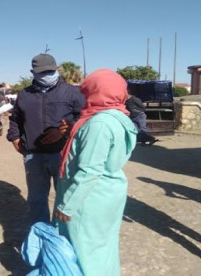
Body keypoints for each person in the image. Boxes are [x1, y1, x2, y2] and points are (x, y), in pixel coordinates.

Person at [54, 69, 137, 276]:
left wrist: (68, 205)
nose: (84, 95)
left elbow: (90, 170)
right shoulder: (116, 116)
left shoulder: (98, 123)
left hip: (90, 197)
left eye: (88, 90)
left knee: (86, 251)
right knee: (102, 247)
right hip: (108, 191)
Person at [7, 53, 85, 224]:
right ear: (32, 72)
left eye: (50, 71)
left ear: (57, 70)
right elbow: (15, 120)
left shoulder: (72, 92)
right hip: (33, 157)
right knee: (36, 199)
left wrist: (64, 131)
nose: (46, 76)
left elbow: (84, 119)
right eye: (41, 72)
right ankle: (41, 234)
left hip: (63, 155)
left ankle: (62, 234)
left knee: (65, 197)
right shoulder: (24, 94)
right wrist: (14, 139)